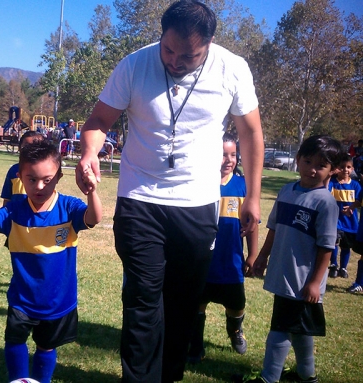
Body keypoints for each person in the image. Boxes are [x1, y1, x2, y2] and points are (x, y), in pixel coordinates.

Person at [74, 1, 264, 382]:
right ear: (161, 36)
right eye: (168, 50)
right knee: (142, 299)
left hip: (197, 205)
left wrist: (254, 197)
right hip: (139, 198)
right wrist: (89, 151)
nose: (175, 62)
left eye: (188, 56)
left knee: (182, 302)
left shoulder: (233, 69)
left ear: (208, 45)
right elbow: (99, 119)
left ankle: (169, 375)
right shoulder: (134, 64)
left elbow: (250, 132)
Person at [0, 139, 102, 383]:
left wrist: (93, 190)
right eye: (31, 179)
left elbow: (94, 217)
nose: (39, 186)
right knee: (14, 341)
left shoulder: (68, 207)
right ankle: (18, 379)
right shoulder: (16, 209)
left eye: (47, 179)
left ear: (59, 176)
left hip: (58, 301)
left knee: (46, 347)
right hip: (22, 298)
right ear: (20, 176)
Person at [236, 135, 344, 383]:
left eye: (321, 165)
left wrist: (315, 282)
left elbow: (326, 247)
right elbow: (274, 229)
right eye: (307, 161)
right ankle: (307, 376)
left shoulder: (325, 203)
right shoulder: (286, 191)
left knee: (280, 329)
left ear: (333, 170)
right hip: (283, 274)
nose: (312, 169)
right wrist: (262, 257)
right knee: (299, 330)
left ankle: (269, 378)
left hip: (302, 281)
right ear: (297, 160)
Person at [187, 133, 258, 363]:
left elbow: (252, 224)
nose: (228, 159)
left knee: (236, 305)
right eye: (223, 154)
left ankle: (235, 331)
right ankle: (195, 346)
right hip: (202, 260)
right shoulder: (200, 183)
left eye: (233, 154)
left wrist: (253, 254)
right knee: (197, 303)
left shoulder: (242, 186)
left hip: (231, 260)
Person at [327, 155, 362, 279]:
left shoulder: (356, 185)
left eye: (348, 167)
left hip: (350, 222)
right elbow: (326, 191)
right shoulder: (332, 183)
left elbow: (359, 199)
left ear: (352, 169)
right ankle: (333, 265)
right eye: (342, 167)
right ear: (337, 168)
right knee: (334, 243)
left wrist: (352, 207)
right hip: (334, 220)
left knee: (346, 246)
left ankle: (343, 267)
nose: (345, 170)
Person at [0, 131, 45, 206]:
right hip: (16, 215)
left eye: (36, 146)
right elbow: (7, 198)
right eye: (26, 146)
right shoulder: (13, 170)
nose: (31, 150)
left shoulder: (47, 170)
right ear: (19, 148)